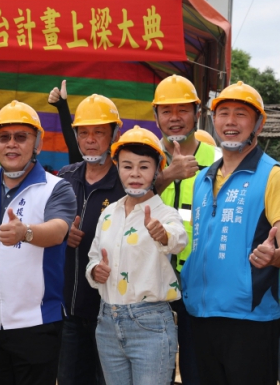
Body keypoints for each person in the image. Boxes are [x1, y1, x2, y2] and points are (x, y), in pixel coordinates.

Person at [0, 100, 76, 384]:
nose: (12, 145)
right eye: (4, 138)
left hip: (37, 325)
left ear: (38, 143)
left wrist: (26, 233)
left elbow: (58, 231)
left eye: (21, 137)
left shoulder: (56, 188)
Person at [181, 81, 280, 385]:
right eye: (223, 113)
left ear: (258, 123)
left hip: (249, 319)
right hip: (201, 315)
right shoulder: (203, 178)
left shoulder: (273, 176)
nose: (230, 121)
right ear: (213, 121)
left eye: (241, 114)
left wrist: (275, 257)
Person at [86, 125, 186, 385]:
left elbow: (179, 239)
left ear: (157, 170)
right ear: (117, 167)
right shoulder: (108, 214)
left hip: (150, 324)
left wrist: (162, 234)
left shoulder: (164, 213)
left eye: (144, 166)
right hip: (107, 322)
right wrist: (96, 271)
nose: (135, 174)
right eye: (127, 166)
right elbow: (94, 256)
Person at [147, 75, 220, 385]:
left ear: (197, 112)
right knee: (151, 370)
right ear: (156, 116)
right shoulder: (142, 157)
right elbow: (126, 200)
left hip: (201, 279)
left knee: (196, 368)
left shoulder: (219, 161)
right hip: (150, 278)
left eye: (182, 110)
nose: (174, 118)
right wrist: (166, 175)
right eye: (166, 111)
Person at [56, 93, 125, 385]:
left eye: (99, 132)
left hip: (112, 315)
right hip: (69, 313)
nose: (91, 139)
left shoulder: (125, 182)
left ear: (113, 134)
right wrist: (61, 234)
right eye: (83, 133)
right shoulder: (64, 178)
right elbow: (48, 225)